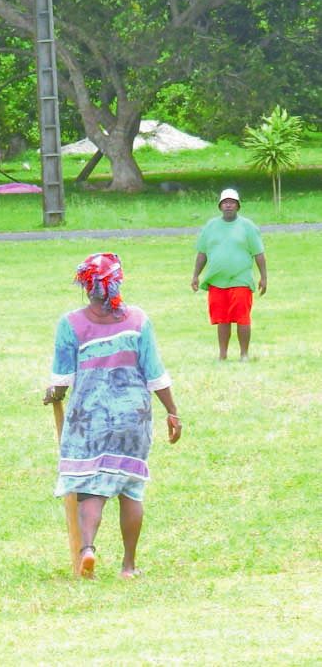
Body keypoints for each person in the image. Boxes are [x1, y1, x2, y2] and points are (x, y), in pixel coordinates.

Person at [44, 252, 181, 579]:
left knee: (90, 487)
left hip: (89, 419)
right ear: (117, 283)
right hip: (132, 418)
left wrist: (54, 395)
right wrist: (173, 412)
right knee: (130, 489)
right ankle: (128, 566)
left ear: (86, 287)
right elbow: (155, 374)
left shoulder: (71, 324)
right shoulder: (138, 321)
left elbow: (62, 379)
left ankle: (87, 548)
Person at [191, 188, 268, 361]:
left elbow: (259, 254)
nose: (228, 205)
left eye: (232, 202)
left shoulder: (247, 226)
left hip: (240, 279)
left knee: (242, 318)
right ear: (220, 206)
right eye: (225, 202)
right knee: (222, 319)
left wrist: (264, 277)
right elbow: (202, 253)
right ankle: (223, 354)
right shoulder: (211, 226)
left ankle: (244, 354)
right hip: (217, 281)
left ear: (238, 206)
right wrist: (196, 275)